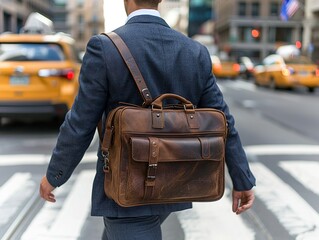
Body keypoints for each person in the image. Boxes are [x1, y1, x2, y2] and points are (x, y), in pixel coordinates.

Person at [40, 0, 256, 239]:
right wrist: (242, 178)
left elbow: (80, 123)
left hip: (126, 187)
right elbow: (223, 122)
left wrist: (54, 175)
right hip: (175, 182)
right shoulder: (195, 52)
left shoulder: (104, 48)